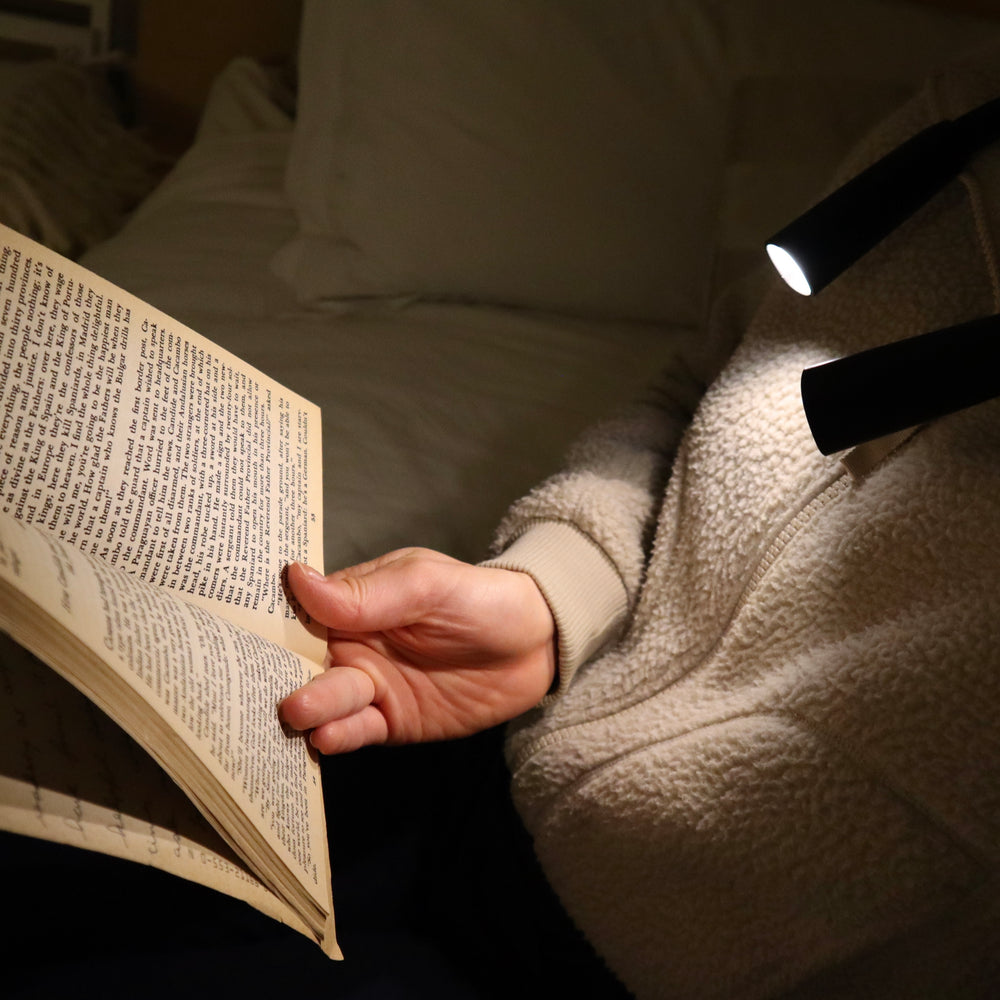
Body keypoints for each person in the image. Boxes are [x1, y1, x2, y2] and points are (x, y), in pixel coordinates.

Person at [280, 66, 1000, 1000]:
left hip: (653, 963)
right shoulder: (957, 129)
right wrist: (552, 593)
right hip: (493, 748)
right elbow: (699, 385)